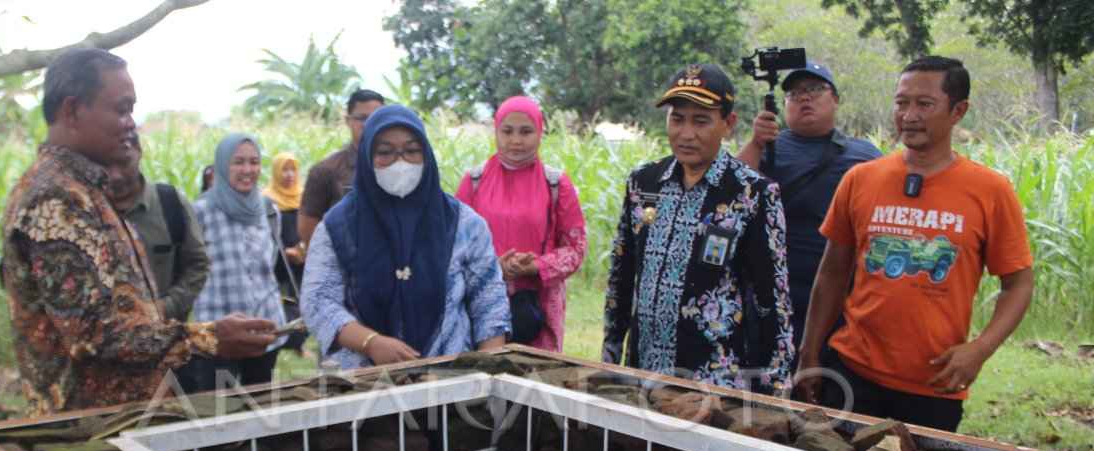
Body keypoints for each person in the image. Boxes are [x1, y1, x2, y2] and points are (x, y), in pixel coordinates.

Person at [1, 48, 274, 416]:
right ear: (72, 111)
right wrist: (206, 338)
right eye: (121, 109)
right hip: (91, 429)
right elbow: (92, 335)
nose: (131, 123)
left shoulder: (85, 191)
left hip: (123, 419)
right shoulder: (56, 200)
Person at [797, 57, 1033, 432]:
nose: (908, 115)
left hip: (936, 383)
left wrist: (980, 349)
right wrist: (810, 353)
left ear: (958, 111)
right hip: (851, 372)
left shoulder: (990, 191)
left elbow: (1018, 284)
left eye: (924, 104)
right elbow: (832, 272)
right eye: (901, 102)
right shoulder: (861, 179)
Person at [601, 63, 794, 393]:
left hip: (714, 383)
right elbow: (622, 274)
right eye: (677, 119)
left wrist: (775, 387)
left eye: (700, 120)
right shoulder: (645, 183)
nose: (686, 133)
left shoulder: (752, 193)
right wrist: (610, 354)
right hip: (642, 372)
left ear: (727, 124)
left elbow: (772, 300)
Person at [302, 104, 511, 369]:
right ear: (367, 158)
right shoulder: (337, 228)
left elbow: (490, 304)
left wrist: (487, 373)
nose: (400, 163)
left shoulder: (464, 225)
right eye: (385, 153)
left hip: (450, 381)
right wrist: (371, 343)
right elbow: (317, 301)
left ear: (427, 154)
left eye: (412, 151)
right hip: (363, 389)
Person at [737, 61, 881, 346]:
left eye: (815, 89)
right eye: (794, 93)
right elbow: (729, 196)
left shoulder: (864, 155)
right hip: (771, 293)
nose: (804, 97)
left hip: (839, 297)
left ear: (835, 99)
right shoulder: (767, 147)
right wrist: (756, 142)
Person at [455, 96, 587, 353]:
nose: (516, 140)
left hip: (539, 306)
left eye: (525, 131)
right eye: (507, 131)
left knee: (535, 380)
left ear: (539, 134)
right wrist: (494, 267)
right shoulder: (474, 181)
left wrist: (536, 266)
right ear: (496, 132)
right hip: (481, 303)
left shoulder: (557, 184)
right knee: (482, 375)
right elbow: (454, 245)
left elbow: (576, 247)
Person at [191, 133, 289, 389]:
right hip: (219, 330)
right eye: (238, 162)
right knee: (217, 411)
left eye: (254, 162)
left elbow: (271, 262)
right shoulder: (201, 211)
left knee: (260, 403)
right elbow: (190, 268)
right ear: (223, 166)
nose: (248, 170)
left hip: (265, 326)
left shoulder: (268, 209)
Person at [105, 132, 210, 322]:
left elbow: (197, 265)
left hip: (166, 338)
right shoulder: (84, 212)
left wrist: (161, 309)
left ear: (139, 152)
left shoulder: (170, 204)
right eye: (104, 165)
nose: (115, 176)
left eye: (123, 163)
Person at [298, 89, 385, 246]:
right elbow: (307, 228)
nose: (369, 124)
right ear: (348, 121)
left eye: (376, 118)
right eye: (362, 118)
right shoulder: (325, 170)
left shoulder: (395, 165)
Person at [261, 152, 309, 354]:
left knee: (303, 299)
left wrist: (302, 247)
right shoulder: (267, 200)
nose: (290, 175)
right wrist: (284, 251)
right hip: (279, 261)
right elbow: (265, 235)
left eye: (293, 170)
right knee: (283, 301)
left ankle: (300, 343)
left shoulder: (303, 196)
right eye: (285, 170)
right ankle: (281, 341)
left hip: (302, 258)